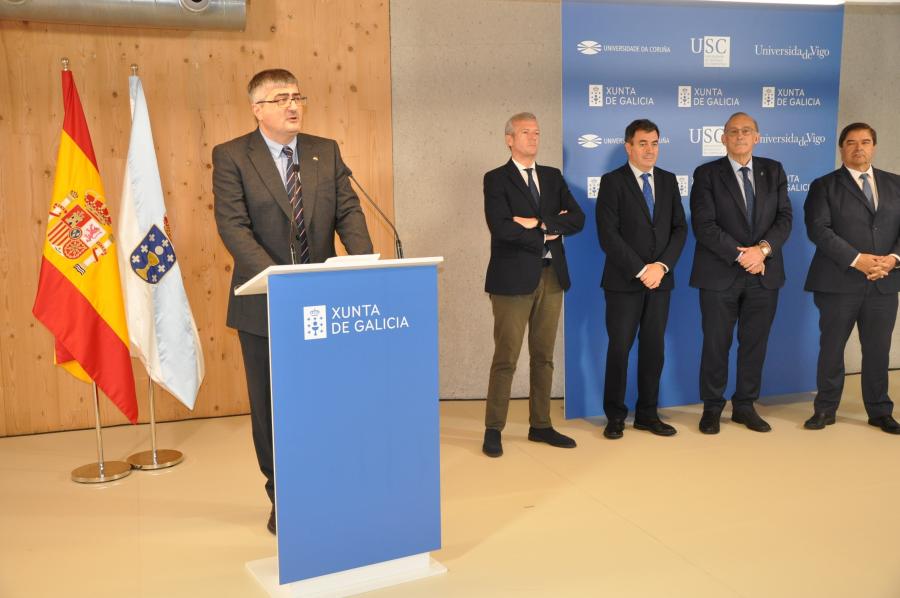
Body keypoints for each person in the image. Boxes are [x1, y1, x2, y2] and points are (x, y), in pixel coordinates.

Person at [213, 69, 373, 533]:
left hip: (325, 302)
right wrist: (280, 280)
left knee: (324, 401)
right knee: (271, 407)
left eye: (297, 96)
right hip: (265, 303)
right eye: (280, 98)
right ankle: (281, 494)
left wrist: (364, 263)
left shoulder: (325, 150)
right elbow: (233, 226)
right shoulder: (232, 156)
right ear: (257, 109)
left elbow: (348, 211)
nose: (292, 105)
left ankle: (326, 484)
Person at [481, 112, 585, 457]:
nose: (533, 137)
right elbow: (501, 228)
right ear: (509, 139)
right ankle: (494, 428)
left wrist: (537, 223)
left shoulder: (552, 176)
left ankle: (540, 424)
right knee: (506, 357)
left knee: (544, 356)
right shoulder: (496, 179)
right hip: (511, 280)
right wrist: (549, 230)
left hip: (552, 276)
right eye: (526, 132)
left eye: (537, 132)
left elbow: (578, 219)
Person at [689, 112, 792, 434]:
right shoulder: (706, 174)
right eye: (733, 131)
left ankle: (745, 405)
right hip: (720, 274)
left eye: (746, 131)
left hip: (764, 273)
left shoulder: (773, 170)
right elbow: (704, 225)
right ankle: (712, 407)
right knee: (716, 344)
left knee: (754, 344)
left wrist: (762, 251)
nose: (740, 136)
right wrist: (743, 256)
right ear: (723, 138)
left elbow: (785, 218)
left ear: (757, 137)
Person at [803, 122, 900, 434]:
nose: (859, 148)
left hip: (884, 281)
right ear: (842, 148)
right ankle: (825, 409)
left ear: (874, 146)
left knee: (878, 350)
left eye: (866, 142)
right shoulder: (824, 186)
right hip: (838, 282)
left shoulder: (896, 183)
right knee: (832, 349)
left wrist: (893, 259)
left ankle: (880, 411)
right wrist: (858, 260)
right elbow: (819, 230)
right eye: (852, 142)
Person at [595, 119, 687, 439]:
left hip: (660, 281)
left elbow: (679, 229)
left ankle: (648, 414)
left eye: (655, 143)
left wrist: (661, 267)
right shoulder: (612, 182)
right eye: (643, 143)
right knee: (619, 349)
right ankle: (615, 416)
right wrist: (641, 270)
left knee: (653, 349)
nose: (650, 150)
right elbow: (608, 235)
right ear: (628, 147)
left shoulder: (669, 180)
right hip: (624, 282)